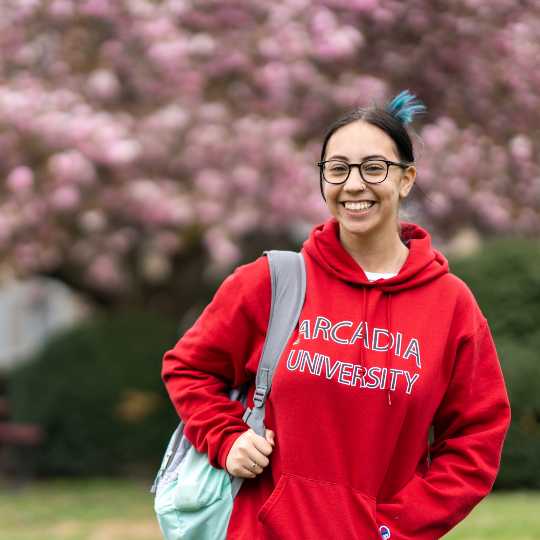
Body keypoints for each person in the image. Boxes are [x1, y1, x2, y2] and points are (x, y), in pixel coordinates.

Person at [161, 90, 511, 539]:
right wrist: (225, 438)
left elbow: (475, 440)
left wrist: (395, 526)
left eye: (374, 168)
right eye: (338, 169)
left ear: (406, 180)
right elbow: (188, 367)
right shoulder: (272, 280)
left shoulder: (451, 306)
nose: (353, 185)